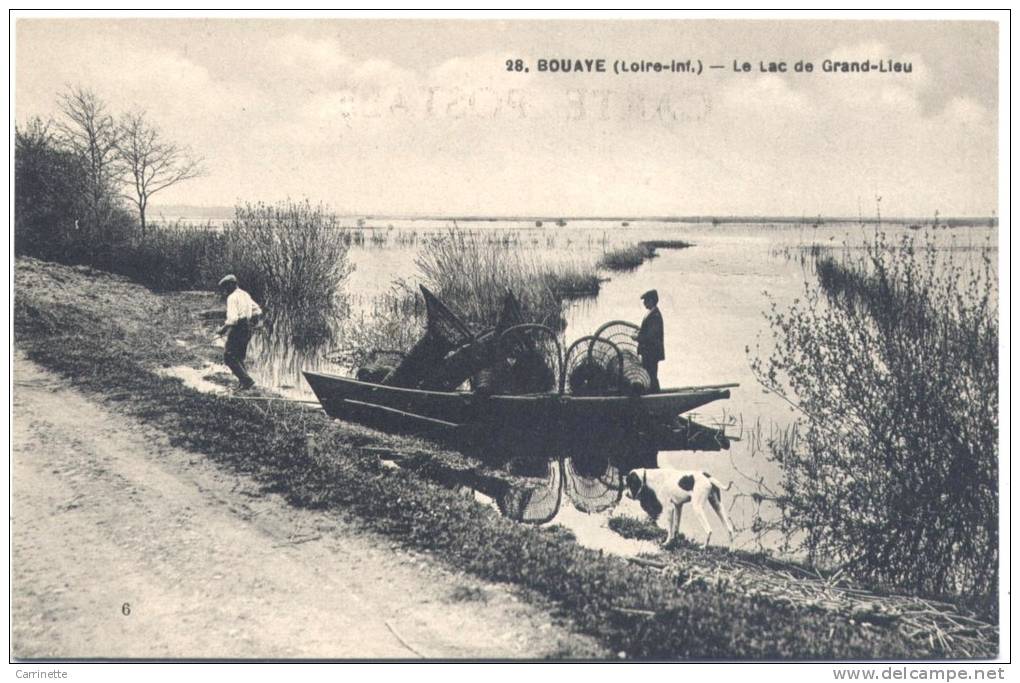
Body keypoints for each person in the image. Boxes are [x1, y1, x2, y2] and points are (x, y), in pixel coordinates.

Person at [215, 274, 263, 391]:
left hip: (238, 329)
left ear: (232, 284)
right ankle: (244, 383)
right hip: (247, 328)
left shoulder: (232, 298)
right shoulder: (245, 294)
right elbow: (257, 310)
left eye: (226, 287)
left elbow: (233, 319)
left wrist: (222, 330)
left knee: (229, 357)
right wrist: (253, 323)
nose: (225, 290)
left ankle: (247, 381)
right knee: (239, 357)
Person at [636, 289, 664, 392]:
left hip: (652, 352)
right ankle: (653, 393)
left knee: (651, 375)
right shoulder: (651, 314)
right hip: (649, 352)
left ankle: (655, 396)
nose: (644, 303)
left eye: (646, 301)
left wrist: (637, 338)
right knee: (650, 374)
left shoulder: (655, 315)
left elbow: (651, 336)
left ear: (652, 301)